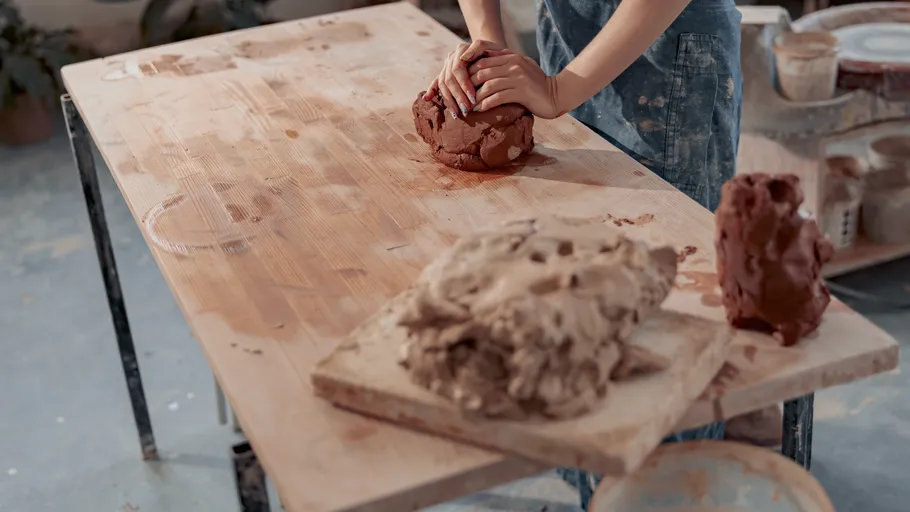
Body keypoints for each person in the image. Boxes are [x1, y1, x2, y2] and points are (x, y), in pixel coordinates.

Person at [423, 0, 746, 508]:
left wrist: (560, 89)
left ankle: (668, 488)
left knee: (664, 304)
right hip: (571, 31)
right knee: (582, 286)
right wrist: (489, 42)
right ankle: (598, 480)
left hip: (669, 48)